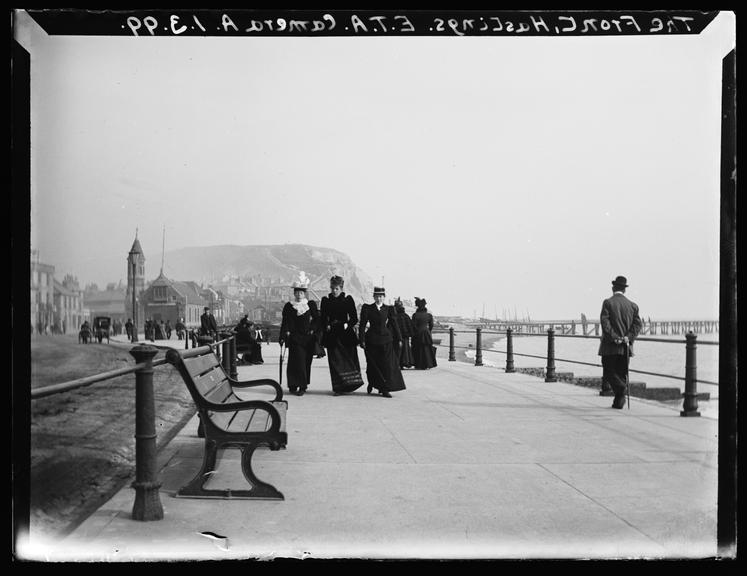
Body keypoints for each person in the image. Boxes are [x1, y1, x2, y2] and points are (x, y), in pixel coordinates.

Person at [598, 275, 642, 409]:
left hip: (610, 347)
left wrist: (615, 337)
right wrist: (628, 337)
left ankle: (621, 388)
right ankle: (618, 402)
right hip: (626, 346)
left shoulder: (608, 303)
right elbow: (637, 325)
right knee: (622, 372)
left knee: (609, 370)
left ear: (613, 288)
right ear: (625, 290)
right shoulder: (633, 306)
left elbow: (605, 324)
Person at [319, 275, 365, 395]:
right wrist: (327, 325)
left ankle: (350, 385)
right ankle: (338, 388)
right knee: (335, 361)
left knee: (348, 359)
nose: (334, 291)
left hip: (346, 335)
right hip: (332, 335)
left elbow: (354, 318)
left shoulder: (348, 300)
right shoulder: (326, 301)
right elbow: (323, 318)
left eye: (336, 289)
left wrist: (347, 325)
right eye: (332, 288)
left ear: (341, 288)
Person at [359, 286, 405, 398]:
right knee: (372, 365)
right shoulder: (368, 308)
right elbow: (362, 325)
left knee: (386, 365)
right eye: (377, 296)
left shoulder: (388, 309)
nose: (379, 298)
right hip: (372, 340)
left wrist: (399, 338)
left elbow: (394, 324)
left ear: (384, 297)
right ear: (374, 297)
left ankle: (384, 388)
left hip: (386, 340)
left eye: (381, 296)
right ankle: (372, 383)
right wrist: (362, 340)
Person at [279, 278, 320, 396]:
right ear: (294, 293)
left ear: (304, 293)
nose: (299, 295)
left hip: (307, 338)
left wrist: (312, 330)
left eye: (301, 292)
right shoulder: (289, 306)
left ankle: (302, 385)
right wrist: (282, 336)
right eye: (297, 292)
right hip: (294, 337)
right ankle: (293, 384)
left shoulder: (309, 305)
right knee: (294, 361)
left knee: (304, 362)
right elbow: (285, 322)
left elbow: (317, 320)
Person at [411, 297, 437, 369]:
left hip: (418, 333)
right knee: (427, 349)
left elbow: (413, 325)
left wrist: (416, 331)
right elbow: (431, 325)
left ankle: (419, 364)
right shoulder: (429, 315)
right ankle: (428, 364)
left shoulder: (415, 315)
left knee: (418, 349)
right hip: (426, 332)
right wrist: (428, 331)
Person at [394, 297, 414, 369]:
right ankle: (404, 363)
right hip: (405, 336)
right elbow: (410, 326)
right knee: (405, 349)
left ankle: (398, 363)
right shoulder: (406, 316)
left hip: (396, 336)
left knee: (397, 349)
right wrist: (410, 334)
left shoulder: (395, 316)